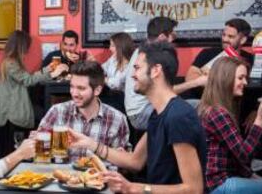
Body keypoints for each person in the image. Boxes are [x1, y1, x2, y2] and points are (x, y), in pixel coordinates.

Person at [69, 42, 206, 194]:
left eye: (137, 68)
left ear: (155, 71)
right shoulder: (159, 113)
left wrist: (134, 187)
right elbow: (135, 161)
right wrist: (89, 143)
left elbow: (194, 189)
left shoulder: (179, 116)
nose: (133, 75)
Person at [198, 57, 262, 194]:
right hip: (219, 184)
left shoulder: (212, 108)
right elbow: (244, 156)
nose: (245, 82)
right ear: (226, 79)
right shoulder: (217, 113)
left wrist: (253, 177)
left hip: (222, 180)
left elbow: (237, 160)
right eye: (240, 78)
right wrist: (260, 120)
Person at [125, 17, 207, 130]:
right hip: (143, 112)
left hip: (138, 110)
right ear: (162, 37)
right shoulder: (153, 56)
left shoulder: (140, 51)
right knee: (202, 106)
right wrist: (197, 82)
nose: (173, 40)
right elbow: (165, 92)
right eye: (173, 36)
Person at [36, 61, 130, 160]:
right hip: (63, 173)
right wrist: (39, 143)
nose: (74, 93)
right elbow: (38, 150)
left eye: (81, 88)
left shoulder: (117, 119)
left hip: (98, 174)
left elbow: (124, 164)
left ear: (97, 90)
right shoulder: (57, 111)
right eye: (72, 87)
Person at [0, 30, 68, 158]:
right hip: (12, 112)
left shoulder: (9, 61)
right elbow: (28, 80)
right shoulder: (11, 63)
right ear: (21, 46)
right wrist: (52, 73)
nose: (28, 50)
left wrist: (49, 69)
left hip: (12, 110)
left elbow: (28, 78)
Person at [186, 18, 253, 82]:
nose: (225, 39)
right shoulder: (207, 53)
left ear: (242, 40)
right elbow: (190, 78)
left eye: (230, 36)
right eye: (223, 35)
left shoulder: (249, 58)